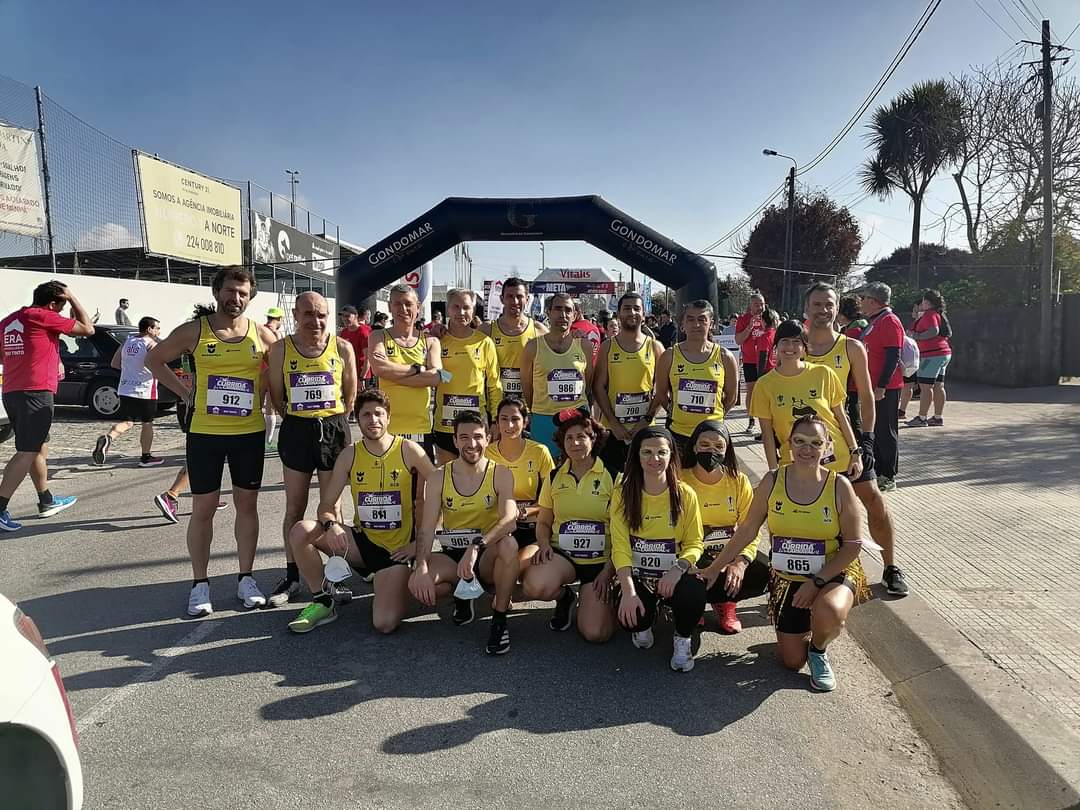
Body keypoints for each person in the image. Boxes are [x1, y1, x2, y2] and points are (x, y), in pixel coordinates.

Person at [146, 266, 278, 616]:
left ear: (250, 298)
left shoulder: (262, 335)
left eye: (243, 293)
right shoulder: (195, 330)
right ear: (217, 292)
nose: (236, 298)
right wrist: (185, 392)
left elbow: (283, 369)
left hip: (248, 434)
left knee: (246, 507)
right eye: (230, 291)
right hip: (205, 434)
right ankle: (200, 583)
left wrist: (270, 394)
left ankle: (246, 578)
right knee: (203, 509)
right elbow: (153, 359)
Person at [705, 414, 871, 691]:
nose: (807, 449)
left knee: (829, 609)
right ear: (789, 445)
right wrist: (715, 568)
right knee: (792, 661)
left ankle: (819, 649)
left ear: (828, 446)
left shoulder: (839, 485)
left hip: (833, 570)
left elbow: (853, 545)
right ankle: (808, 626)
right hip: (787, 577)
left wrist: (817, 581)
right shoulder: (772, 481)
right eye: (800, 441)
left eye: (816, 443)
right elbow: (746, 530)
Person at [285, 389, 437, 633]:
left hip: (396, 552)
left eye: (379, 413)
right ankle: (323, 601)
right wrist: (330, 525)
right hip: (361, 544)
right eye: (366, 415)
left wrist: (418, 544)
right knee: (301, 531)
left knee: (384, 623)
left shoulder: (409, 450)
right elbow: (326, 506)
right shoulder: (350, 454)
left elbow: (442, 493)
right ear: (358, 418)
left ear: (389, 417)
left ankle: (397, 585)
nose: (373, 420)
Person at [804, 282, 909, 597]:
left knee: (873, 498)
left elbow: (866, 397)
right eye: (817, 304)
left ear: (838, 308)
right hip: (805, 446)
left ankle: (890, 566)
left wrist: (866, 441)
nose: (824, 310)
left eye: (829, 304)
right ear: (806, 309)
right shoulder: (796, 346)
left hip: (845, 441)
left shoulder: (851, 347)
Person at [264, 291, 357, 607]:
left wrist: (333, 421)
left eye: (321, 314)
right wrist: (298, 419)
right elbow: (276, 396)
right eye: (308, 314)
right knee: (295, 506)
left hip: (332, 427)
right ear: (296, 314)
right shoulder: (280, 349)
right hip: (297, 429)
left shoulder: (342, 347)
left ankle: (336, 575)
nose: (315, 321)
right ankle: (292, 576)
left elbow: (351, 393)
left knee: (334, 507)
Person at [411, 410, 519, 655]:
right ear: (455, 440)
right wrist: (421, 567)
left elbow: (510, 520)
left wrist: (477, 546)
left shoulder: (500, 473)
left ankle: (500, 619)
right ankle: (462, 594)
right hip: (453, 557)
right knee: (418, 584)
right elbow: (427, 528)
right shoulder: (439, 477)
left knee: (509, 546)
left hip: (484, 555)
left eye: (478, 437)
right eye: (465, 437)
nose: (472, 444)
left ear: (488, 439)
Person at [610, 426, 706, 671]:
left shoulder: (686, 494)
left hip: (673, 574)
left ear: (672, 455)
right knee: (631, 618)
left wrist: (678, 568)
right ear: (637, 456)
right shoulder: (622, 494)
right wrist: (629, 591)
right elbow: (620, 547)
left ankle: (682, 637)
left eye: (662, 452)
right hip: (639, 576)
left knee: (694, 591)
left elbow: (695, 542)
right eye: (647, 452)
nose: (655, 459)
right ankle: (644, 623)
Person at [0, 280, 93, 531]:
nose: (61, 313)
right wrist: (73, 297)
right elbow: (87, 329)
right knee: (28, 450)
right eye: (61, 306)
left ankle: (46, 500)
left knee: (39, 447)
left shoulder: (10, 320)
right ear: (53, 303)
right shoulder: (43, 316)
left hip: (12, 390)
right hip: (36, 392)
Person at [522, 408, 617, 641]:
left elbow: (623, 532)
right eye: (569, 438)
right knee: (535, 586)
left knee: (596, 634)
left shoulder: (614, 478)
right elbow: (544, 522)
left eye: (581, 436)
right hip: (563, 556)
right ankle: (565, 597)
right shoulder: (555, 477)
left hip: (599, 563)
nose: (575, 443)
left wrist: (609, 571)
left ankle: (606, 598)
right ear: (562, 443)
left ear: (593, 439)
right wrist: (543, 544)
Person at [678, 420, 770, 634]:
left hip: (727, 551)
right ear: (693, 446)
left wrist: (741, 561)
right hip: (691, 552)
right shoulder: (680, 479)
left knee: (763, 571)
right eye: (705, 445)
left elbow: (750, 527)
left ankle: (726, 603)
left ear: (727, 449)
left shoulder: (738, 481)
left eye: (719, 446)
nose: (711, 451)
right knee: (691, 575)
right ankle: (694, 604)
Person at [749, 318, 863, 482]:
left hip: (837, 463)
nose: (790, 347)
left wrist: (855, 452)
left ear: (804, 348)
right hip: (795, 467)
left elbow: (841, 417)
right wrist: (774, 473)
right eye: (785, 341)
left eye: (796, 342)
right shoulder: (764, 385)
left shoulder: (823, 373)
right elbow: (767, 435)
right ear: (776, 346)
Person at [648, 299, 738, 456]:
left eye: (702, 319)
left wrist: (715, 416)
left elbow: (731, 396)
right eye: (690, 319)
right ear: (682, 324)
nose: (696, 324)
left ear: (712, 323)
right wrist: (676, 412)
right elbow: (661, 394)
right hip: (678, 435)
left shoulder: (725, 357)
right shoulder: (669, 356)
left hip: (712, 437)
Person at [367, 284, 443, 459]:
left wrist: (392, 375)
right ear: (389, 307)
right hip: (386, 427)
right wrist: (417, 369)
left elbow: (437, 378)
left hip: (420, 428)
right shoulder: (378, 336)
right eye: (397, 304)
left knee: (420, 486)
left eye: (408, 304)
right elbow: (379, 368)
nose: (403, 309)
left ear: (418, 307)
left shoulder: (430, 341)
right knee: (389, 486)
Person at [592, 291, 664, 474]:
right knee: (612, 484)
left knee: (644, 484)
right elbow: (598, 386)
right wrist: (613, 423)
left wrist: (646, 420)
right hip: (614, 431)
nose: (632, 312)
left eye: (636, 308)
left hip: (645, 430)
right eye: (626, 308)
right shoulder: (608, 346)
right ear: (618, 313)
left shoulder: (655, 347)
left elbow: (663, 390)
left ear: (644, 314)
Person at [431, 288, 501, 464]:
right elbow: (429, 375)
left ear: (473, 310)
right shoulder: (436, 340)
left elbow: (494, 384)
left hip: (476, 425)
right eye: (456, 307)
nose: (461, 312)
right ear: (448, 309)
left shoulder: (484, 343)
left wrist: (495, 420)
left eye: (466, 307)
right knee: (447, 479)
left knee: (476, 478)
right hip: (445, 425)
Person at [520, 293, 593, 457]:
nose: (563, 314)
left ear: (574, 315)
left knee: (577, 469)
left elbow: (588, 383)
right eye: (558, 309)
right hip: (544, 418)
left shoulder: (585, 345)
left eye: (568, 310)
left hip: (576, 418)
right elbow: (527, 385)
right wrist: (537, 409)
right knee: (546, 472)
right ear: (548, 312)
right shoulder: (532, 347)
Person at [484, 397, 554, 553]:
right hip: (497, 529)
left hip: (532, 528)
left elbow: (552, 495)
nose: (509, 425)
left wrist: (525, 511)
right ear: (497, 422)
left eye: (515, 419)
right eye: (504, 419)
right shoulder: (487, 453)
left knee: (523, 566)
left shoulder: (540, 452)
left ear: (525, 422)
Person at [92, 316, 164, 467]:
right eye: (157, 328)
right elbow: (157, 365)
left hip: (125, 388)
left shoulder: (127, 342)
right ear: (149, 329)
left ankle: (109, 438)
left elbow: (115, 363)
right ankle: (146, 457)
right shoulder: (151, 344)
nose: (159, 331)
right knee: (147, 423)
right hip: (145, 389)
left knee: (128, 421)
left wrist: (131, 369)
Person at [856, 282, 904, 491]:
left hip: (885, 388)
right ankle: (877, 470)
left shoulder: (890, 321)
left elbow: (893, 356)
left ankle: (889, 475)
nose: (861, 301)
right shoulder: (875, 321)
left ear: (874, 301)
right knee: (873, 429)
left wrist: (882, 386)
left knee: (885, 430)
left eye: (864, 297)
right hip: (870, 385)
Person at [479, 277, 548, 401]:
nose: (515, 301)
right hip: (497, 406)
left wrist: (576, 336)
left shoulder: (538, 330)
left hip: (527, 406)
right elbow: (463, 338)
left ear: (527, 299)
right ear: (502, 299)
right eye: (509, 296)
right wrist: (441, 331)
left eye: (519, 296)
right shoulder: (487, 329)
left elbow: (561, 345)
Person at [907, 289, 952, 427]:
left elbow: (933, 331)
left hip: (931, 355)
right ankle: (938, 417)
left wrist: (916, 336)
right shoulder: (939, 313)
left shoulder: (929, 314)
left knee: (926, 387)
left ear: (927, 302)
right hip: (943, 353)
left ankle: (922, 418)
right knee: (939, 386)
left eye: (923, 301)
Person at [734, 293, 767, 434]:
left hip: (766, 361)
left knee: (767, 393)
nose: (760, 307)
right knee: (751, 392)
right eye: (756, 304)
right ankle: (751, 420)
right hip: (750, 361)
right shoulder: (743, 319)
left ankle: (766, 424)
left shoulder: (769, 318)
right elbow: (738, 340)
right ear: (750, 305)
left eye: (762, 304)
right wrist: (749, 327)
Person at [898, 299, 923, 420]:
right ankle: (902, 410)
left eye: (915, 309)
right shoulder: (915, 323)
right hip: (913, 360)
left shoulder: (921, 321)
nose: (914, 311)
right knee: (908, 386)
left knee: (903, 386)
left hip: (906, 359)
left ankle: (901, 410)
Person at [338, 305, 372, 389]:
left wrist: (361, 378)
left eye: (347, 316)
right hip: (348, 374)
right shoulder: (344, 332)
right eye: (343, 316)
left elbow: (368, 358)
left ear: (356, 316)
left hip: (361, 375)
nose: (344, 319)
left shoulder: (363, 332)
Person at [754, 308, 780, 377]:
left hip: (767, 372)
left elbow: (763, 356)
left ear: (763, 321)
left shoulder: (764, 337)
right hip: (777, 370)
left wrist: (760, 377)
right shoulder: (776, 334)